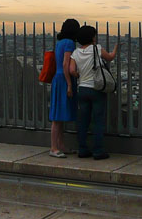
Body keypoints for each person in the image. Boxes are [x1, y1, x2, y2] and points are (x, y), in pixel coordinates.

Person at [69, 25, 118, 159]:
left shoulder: (75, 53)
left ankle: (83, 149)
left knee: (83, 121)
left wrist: (80, 75)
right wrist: (115, 49)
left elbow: (71, 70)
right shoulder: (96, 48)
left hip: (82, 89)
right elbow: (110, 57)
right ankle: (98, 151)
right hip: (96, 89)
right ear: (92, 37)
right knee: (98, 121)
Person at [49, 18, 80, 158]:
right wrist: (69, 84)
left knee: (59, 115)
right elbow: (66, 63)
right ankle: (54, 147)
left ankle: (60, 145)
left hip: (58, 77)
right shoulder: (69, 43)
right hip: (64, 79)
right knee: (57, 117)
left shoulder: (60, 42)